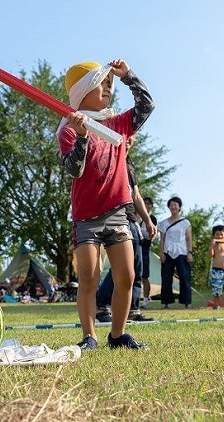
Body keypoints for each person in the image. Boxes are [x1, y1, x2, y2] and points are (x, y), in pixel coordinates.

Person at [57, 58, 155, 350]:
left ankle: (118, 335)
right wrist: (83, 136)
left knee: (127, 276)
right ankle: (89, 336)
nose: (108, 89)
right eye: (102, 83)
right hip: (86, 216)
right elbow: (74, 170)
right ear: (82, 90)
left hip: (117, 213)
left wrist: (128, 76)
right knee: (89, 278)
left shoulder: (119, 123)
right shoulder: (68, 129)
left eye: (110, 84)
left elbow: (147, 106)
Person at [95, 135, 157, 323]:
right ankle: (101, 305)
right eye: (125, 136)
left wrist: (147, 220)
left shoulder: (129, 163)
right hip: (116, 217)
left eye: (132, 136)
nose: (128, 139)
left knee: (136, 268)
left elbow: (136, 195)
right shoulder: (110, 158)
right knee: (121, 267)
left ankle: (133, 309)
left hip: (131, 219)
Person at [158, 196, 192, 309]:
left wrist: (190, 252)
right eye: (171, 205)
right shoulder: (164, 223)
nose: (173, 207)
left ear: (179, 207)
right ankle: (166, 302)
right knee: (166, 277)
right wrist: (162, 253)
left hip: (182, 251)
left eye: (175, 205)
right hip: (168, 251)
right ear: (169, 207)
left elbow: (189, 238)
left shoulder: (185, 222)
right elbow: (162, 239)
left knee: (184, 277)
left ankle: (187, 302)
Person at [139, 196, 158, 308]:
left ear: (151, 206)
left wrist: (138, 229)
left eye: (148, 204)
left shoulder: (152, 219)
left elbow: (149, 236)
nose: (146, 206)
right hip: (134, 249)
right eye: (144, 203)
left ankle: (145, 301)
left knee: (144, 277)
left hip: (145, 250)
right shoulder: (137, 215)